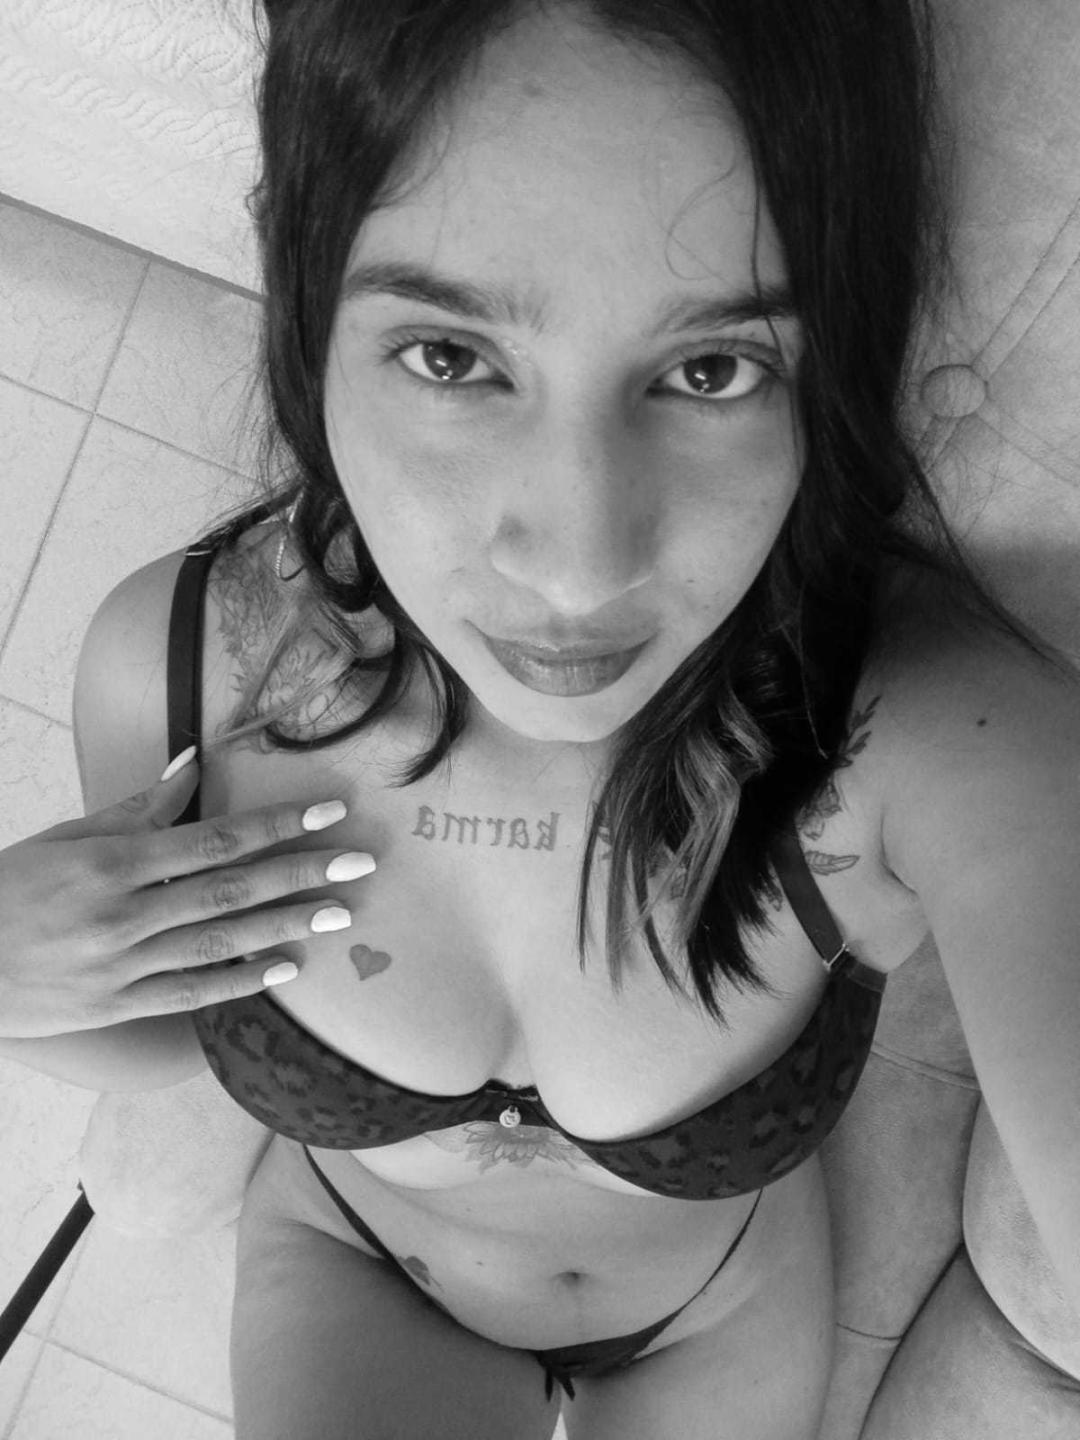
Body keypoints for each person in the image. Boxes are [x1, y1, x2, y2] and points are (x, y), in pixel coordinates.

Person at [6, 0, 1080, 1436]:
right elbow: (159, 1034)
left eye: (712, 370)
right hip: (355, 1263)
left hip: (716, 1320)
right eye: (453, 358)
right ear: (303, 292)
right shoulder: (180, 665)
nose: (579, 569)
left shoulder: (931, 738)